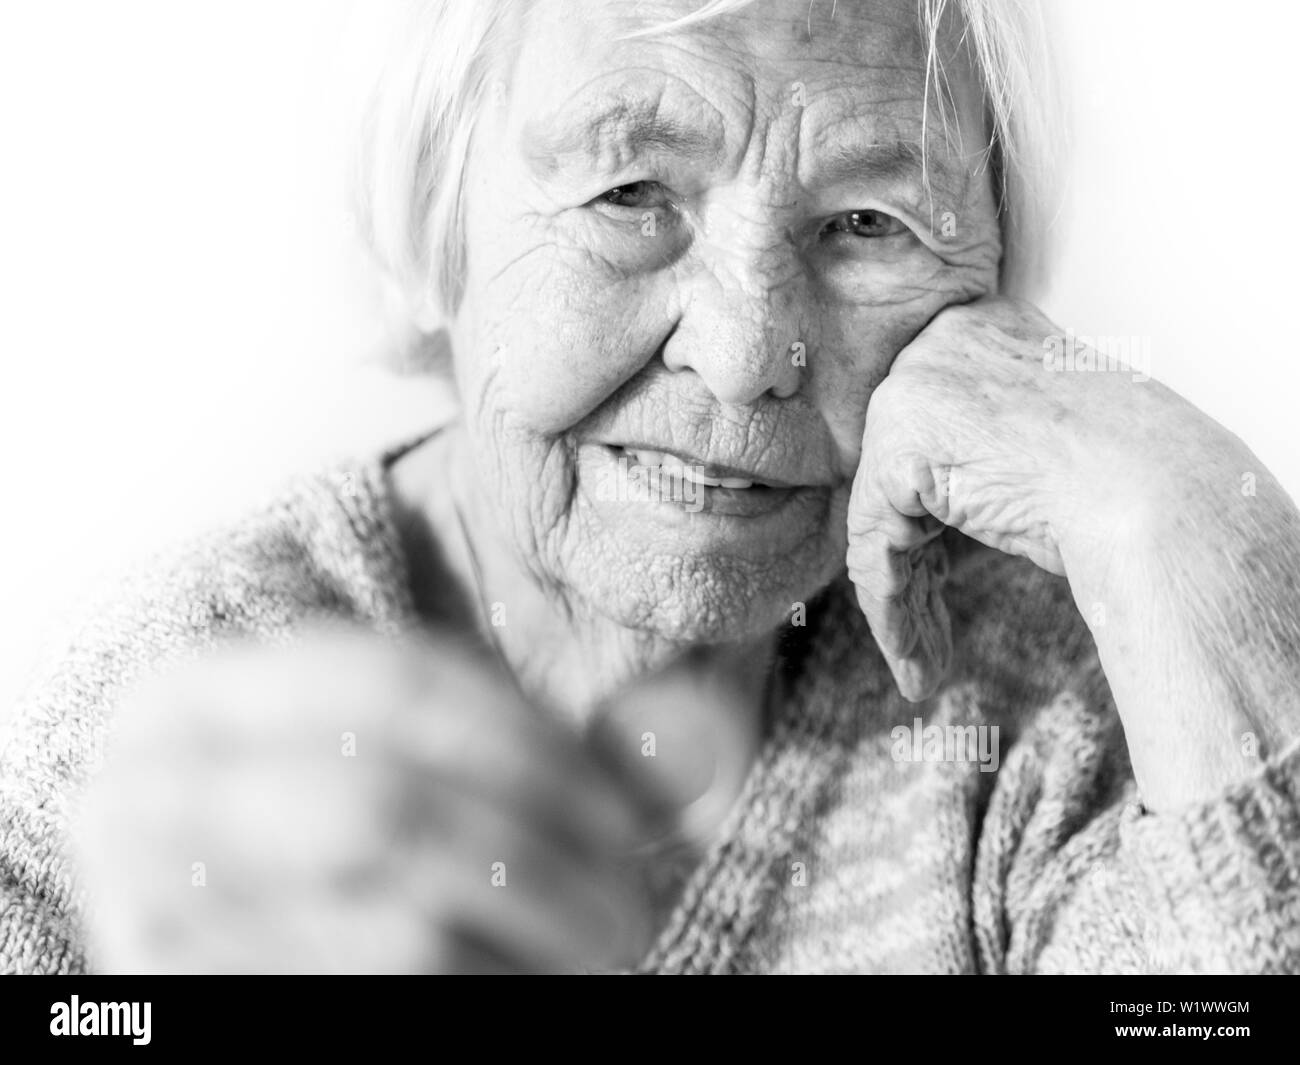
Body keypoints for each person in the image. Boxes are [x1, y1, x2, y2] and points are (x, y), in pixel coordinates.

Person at [3, 0, 1299, 975]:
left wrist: (1185, 523)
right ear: (437, 224)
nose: (744, 355)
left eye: (868, 224)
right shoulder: (160, 724)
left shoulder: (1055, 693)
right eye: (630, 194)